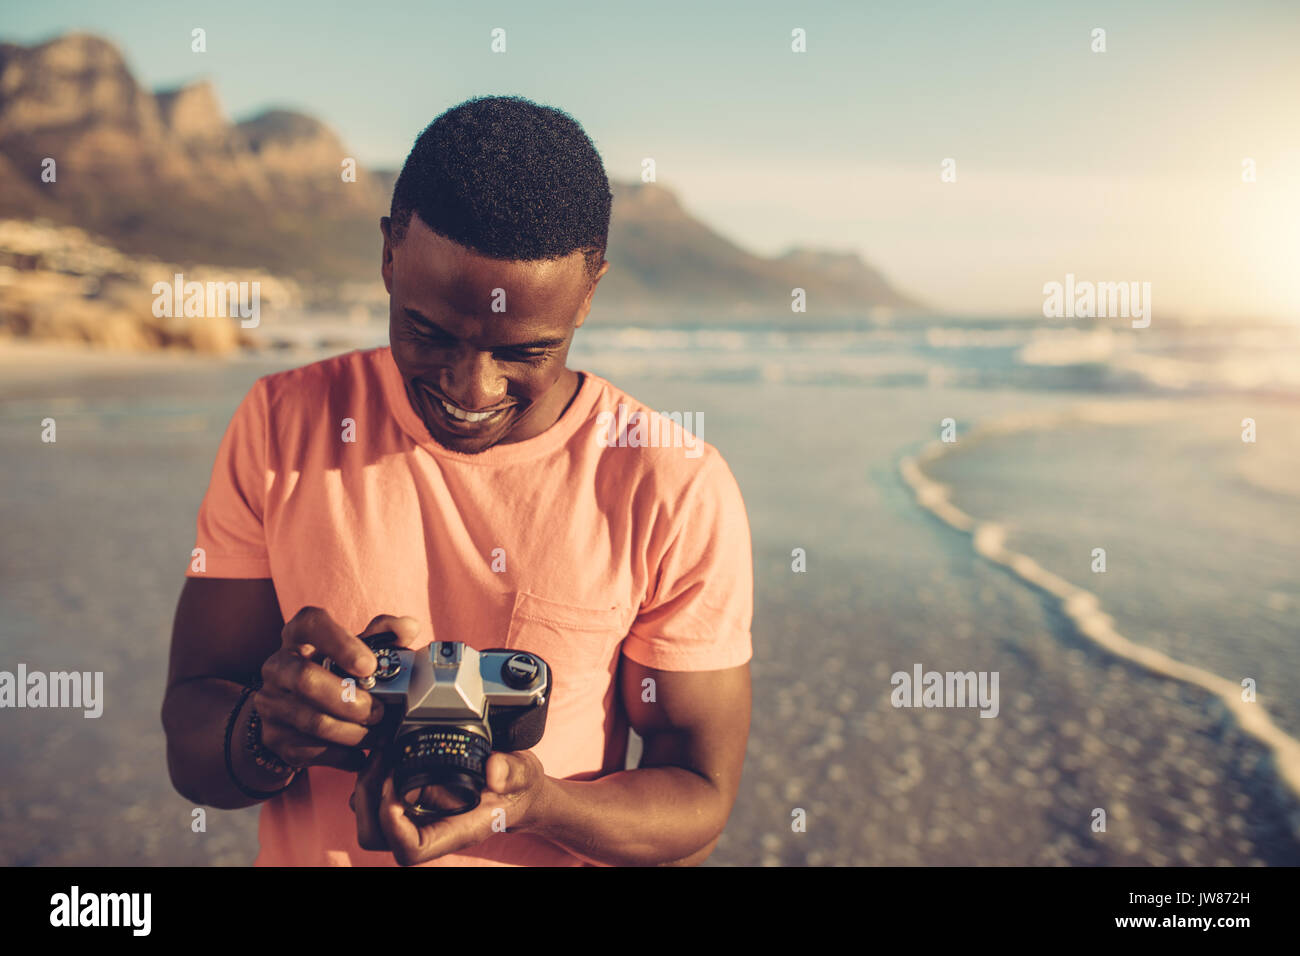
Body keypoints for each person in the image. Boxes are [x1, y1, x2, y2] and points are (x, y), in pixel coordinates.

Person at [160, 95, 754, 866]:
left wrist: (541, 805)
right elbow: (191, 743)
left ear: (589, 291)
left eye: (524, 351)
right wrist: (270, 732)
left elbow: (699, 797)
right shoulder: (283, 424)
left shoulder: (671, 484)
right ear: (388, 257)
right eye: (429, 333)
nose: (472, 391)